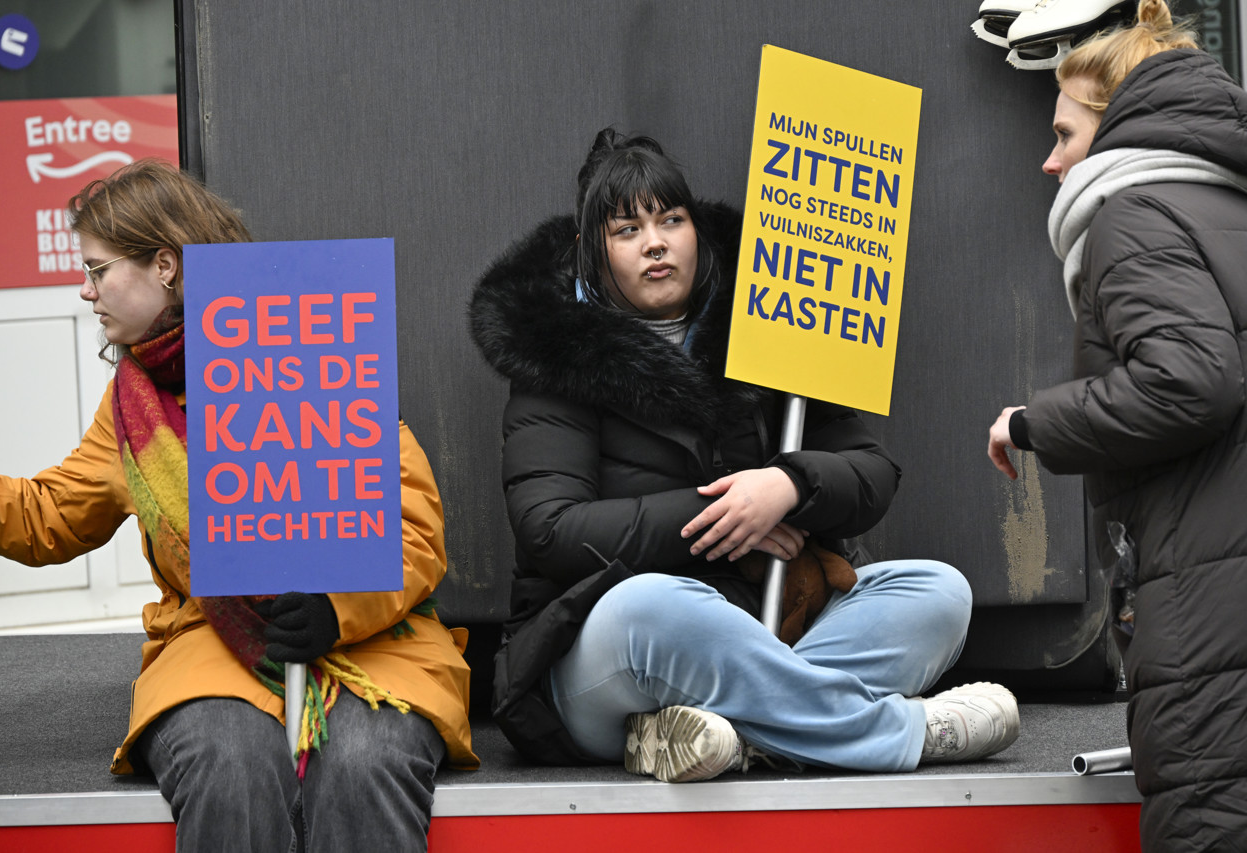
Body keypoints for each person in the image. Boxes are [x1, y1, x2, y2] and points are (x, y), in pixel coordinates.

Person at [470, 128, 1019, 783]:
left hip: (762, 623)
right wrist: (729, 521)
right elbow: (549, 528)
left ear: (695, 231)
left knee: (938, 592)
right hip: (598, 657)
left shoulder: (767, 327)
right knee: (655, 606)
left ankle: (727, 737)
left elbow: (872, 471)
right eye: (627, 230)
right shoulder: (553, 357)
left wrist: (787, 485)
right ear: (593, 252)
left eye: (671, 220)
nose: (655, 242)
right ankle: (905, 732)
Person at [0, 160, 477, 852]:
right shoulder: (129, 414)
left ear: (166, 266)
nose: (85, 292)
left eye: (96, 270)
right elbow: (42, 518)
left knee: (364, 764)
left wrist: (336, 608)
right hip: (211, 649)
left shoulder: (310, 345)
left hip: (376, 647)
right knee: (229, 765)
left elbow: (413, 529)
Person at [985, 2, 1247, 848]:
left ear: (1118, 124)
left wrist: (1034, 423)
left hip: (1212, 606)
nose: (1049, 158)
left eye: (1064, 134)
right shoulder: (1223, 209)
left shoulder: (1133, 217)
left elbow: (1191, 381)